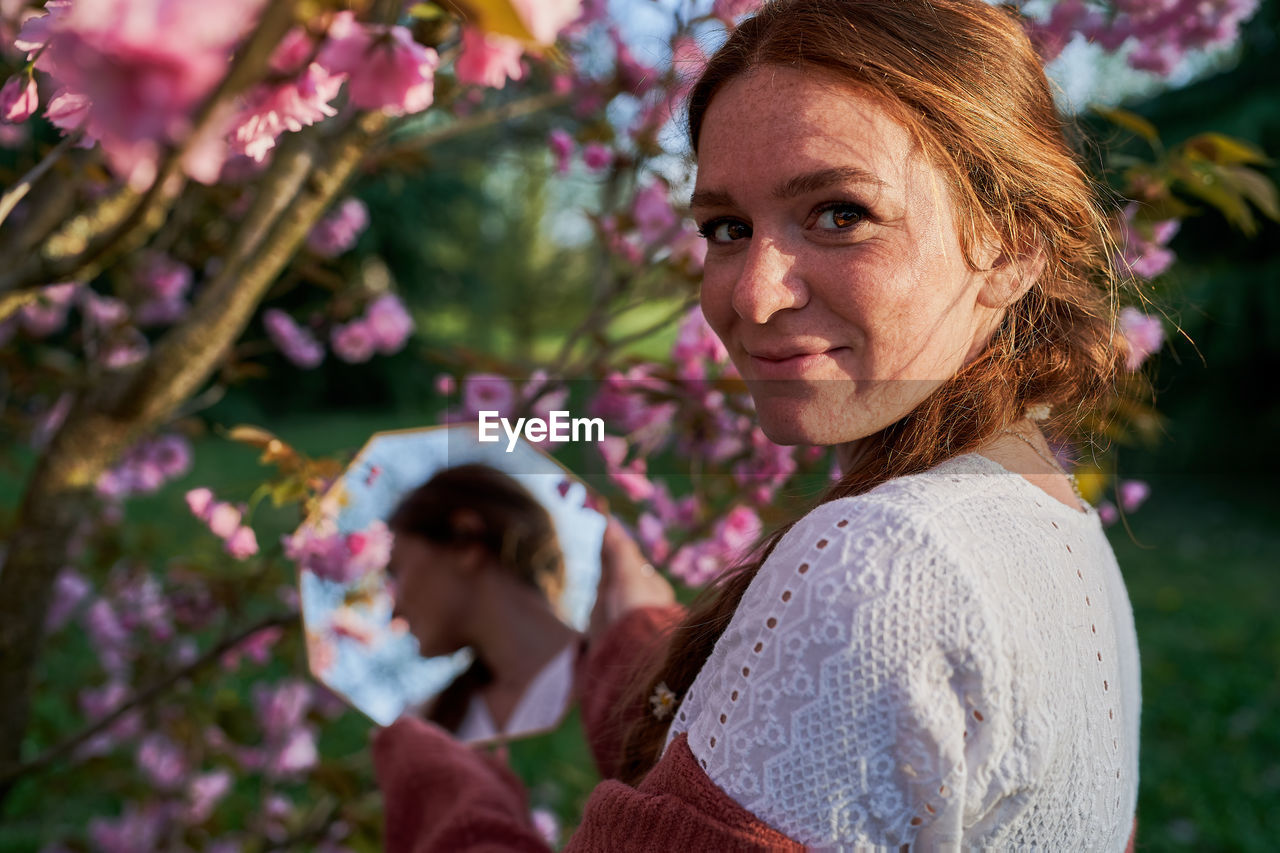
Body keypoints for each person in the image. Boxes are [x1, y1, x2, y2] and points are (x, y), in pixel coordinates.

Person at [371, 0, 1144, 848]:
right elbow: (806, 760)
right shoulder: (1043, 518)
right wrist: (632, 633)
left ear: (1012, 246)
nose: (751, 292)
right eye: (727, 228)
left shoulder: (884, 560)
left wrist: (444, 779)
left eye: (840, 213)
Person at [386, 463, 581, 743]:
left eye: (396, 571)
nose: (394, 611)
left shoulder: (630, 672)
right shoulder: (423, 727)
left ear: (464, 542)